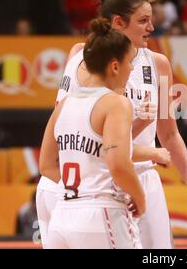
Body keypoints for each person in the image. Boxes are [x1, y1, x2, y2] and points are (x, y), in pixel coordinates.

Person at [58, 0, 187, 249]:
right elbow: (87, 137)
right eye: (143, 20)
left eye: (151, 19)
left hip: (145, 176)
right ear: (118, 22)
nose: (152, 27)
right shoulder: (83, 56)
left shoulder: (158, 63)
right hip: (101, 180)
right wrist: (140, 123)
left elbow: (169, 134)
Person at [39, 18, 145, 249]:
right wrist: (140, 198)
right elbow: (118, 164)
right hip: (101, 212)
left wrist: (79, 191)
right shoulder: (116, 103)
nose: (132, 69)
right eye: (130, 62)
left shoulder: (64, 104)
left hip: (63, 214)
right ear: (115, 66)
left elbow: (45, 165)